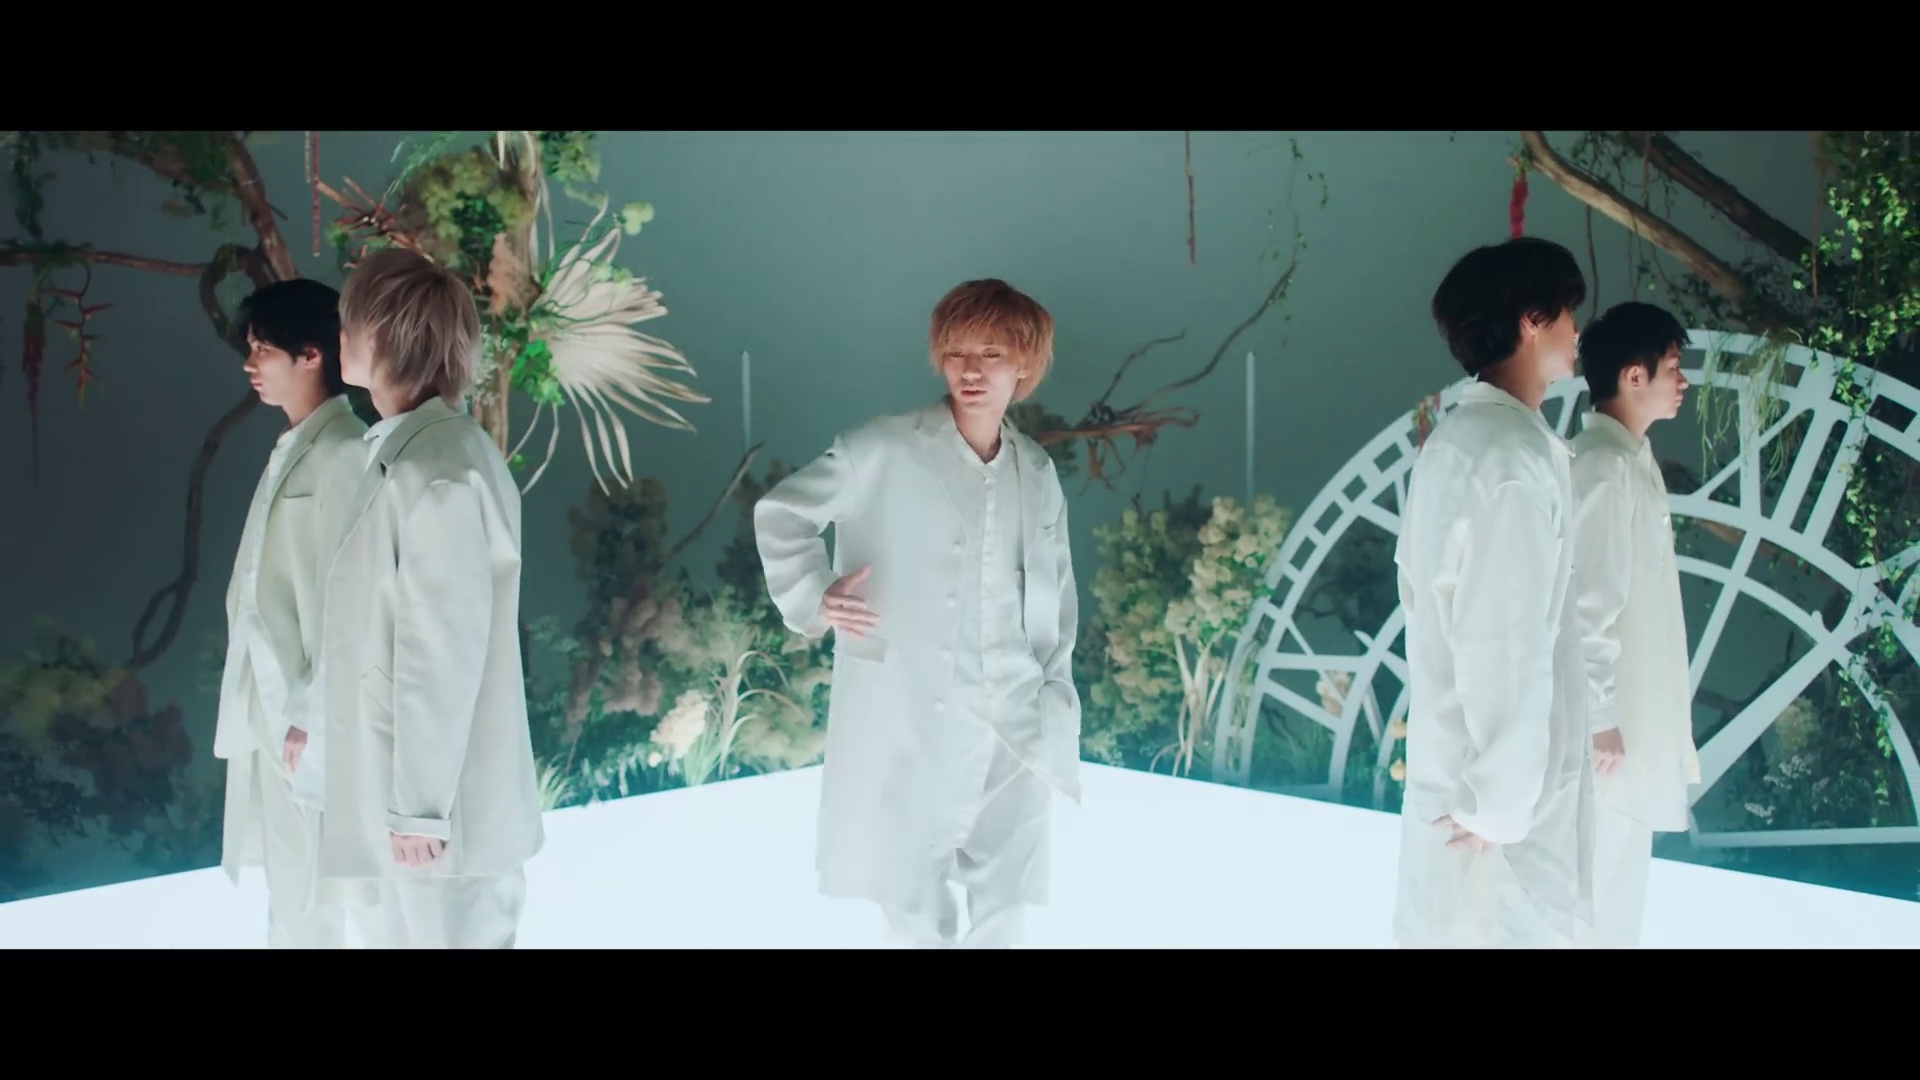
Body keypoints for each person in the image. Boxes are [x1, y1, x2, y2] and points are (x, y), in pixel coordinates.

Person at [754, 278, 1082, 949]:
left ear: (1024, 365)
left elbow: (1059, 594)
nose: (970, 370)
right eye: (957, 352)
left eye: (991, 354)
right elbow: (783, 512)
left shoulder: (1036, 471)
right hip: (911, 703)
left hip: (1014, 709)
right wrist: (814, 591)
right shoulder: (882, 447)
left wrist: (1055, 691)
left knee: (1006, 896)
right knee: (909, 895)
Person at [312, 246, 544, 948]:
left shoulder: (437, 470)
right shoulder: (418, 456)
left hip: (440, 821)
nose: (339, 337)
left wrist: (417, 807)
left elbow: (440, 649)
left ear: (383, 335)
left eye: (350, 322)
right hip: (418, 812)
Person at [1392, 236, 1596, 948]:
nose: (1577, 331)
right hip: (1490, 814)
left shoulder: (1471, 441)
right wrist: (1500, 804)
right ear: (1531, 320)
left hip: (1469, 784)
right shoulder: (1508, 458)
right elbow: (1501, 639)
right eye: (1567, 311)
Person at [211, 278, 370, 948]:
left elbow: (353, 595)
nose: (250, 364)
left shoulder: (345, 450)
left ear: (311, 353)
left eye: (263, 349)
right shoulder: (297, 444)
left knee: (329, 889)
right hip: (270, 703)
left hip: (309, 710)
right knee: (292, 886)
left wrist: (310, 706)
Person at [1569, 301, 1701, 948]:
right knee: (1594, 903)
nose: (1683, 381)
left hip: (1623, 729)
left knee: (1613, 903)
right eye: (1673, 366)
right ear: (1633, 376)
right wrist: (1600, 719)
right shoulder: (1603, 466)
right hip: (1609, 736)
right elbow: (1588, 602)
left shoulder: (1624, 459)